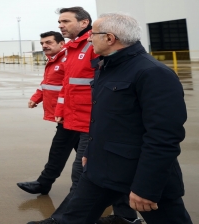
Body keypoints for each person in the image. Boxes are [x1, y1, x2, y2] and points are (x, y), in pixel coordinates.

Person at [58, 13, 192, 224]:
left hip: (141, 174)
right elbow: (103, 119)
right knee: (72, 219)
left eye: (93, 34)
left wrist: (146, 188)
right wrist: (90, 153)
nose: (90, 39)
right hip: (100, 169)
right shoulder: (106, 67)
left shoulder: (153, 73)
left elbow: (163, 137)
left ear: (110, 38)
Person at [29, 7, 138, 224]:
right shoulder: (72, 48)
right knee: (103, 171)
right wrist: (60, 112)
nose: (61, 25)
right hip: (77, 119)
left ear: (83, 22)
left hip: (93, 121)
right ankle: (125, 217)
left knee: (82, 174)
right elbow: (68, 87)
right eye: (59, 21)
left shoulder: (93, 46)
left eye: (66, 21)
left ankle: (62, 219)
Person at [17, 31, 79, 195]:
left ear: (61, 43)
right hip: (63, 116)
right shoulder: (54, 60)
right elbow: (47, 84)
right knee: (84, 153)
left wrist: (61, 110)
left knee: (59, 150)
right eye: (42, 43)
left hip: (70, 115)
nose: (44, 46)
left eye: (49, 42)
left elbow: (69, 89)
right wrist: (36, 98)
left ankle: (44, 183)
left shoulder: (67, 60)